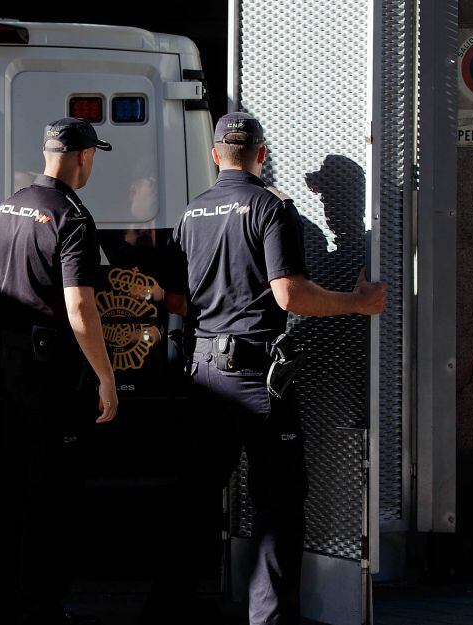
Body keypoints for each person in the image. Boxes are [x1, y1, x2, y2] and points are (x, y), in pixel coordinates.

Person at [165, 112, 386, 625]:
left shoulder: (192, 212)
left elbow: (178, 299)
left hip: (205, 370)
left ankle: (168, 605)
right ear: (261, 155)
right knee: (278, 501)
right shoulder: (270, 207)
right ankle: (268, 619)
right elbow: (290, 295)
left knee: (196, 494)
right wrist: (358, 303)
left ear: (215, 155)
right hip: (255, 376)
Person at [0, 117, 119, 625]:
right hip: (50, 368)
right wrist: (105, 376)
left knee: (12, 480)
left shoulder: (9, 205)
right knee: (51, 487)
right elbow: (79, 307)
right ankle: (39, 603)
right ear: (84, 157)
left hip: (11, 360)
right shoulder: (72, 216)